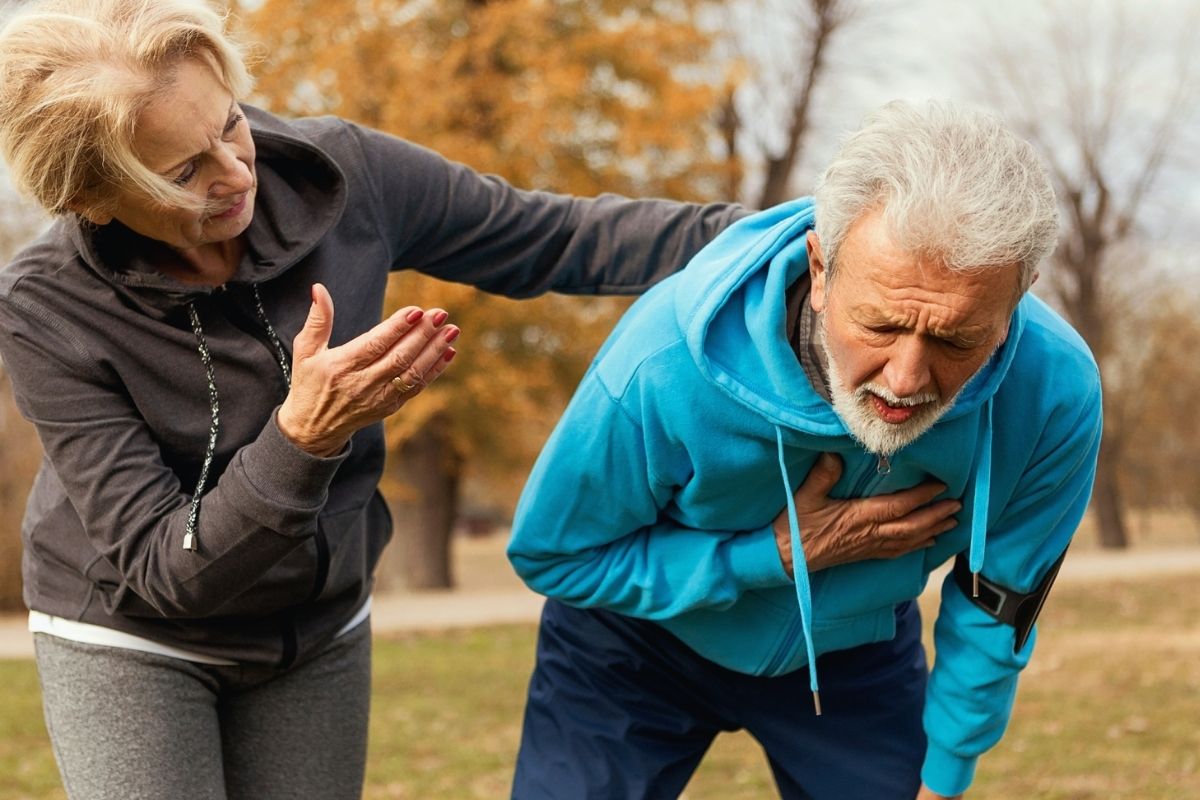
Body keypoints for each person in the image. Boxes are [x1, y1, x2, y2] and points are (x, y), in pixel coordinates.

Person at [0, 0, 766, 797]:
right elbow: (167, 568)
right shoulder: (44, 306)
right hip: (133, 635)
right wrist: (301, 438)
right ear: (92, 198)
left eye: (230, 123)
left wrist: (794, 235)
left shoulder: (341, 172)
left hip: (319, 624)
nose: (236, 173)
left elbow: (558, 236)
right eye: (183, 173)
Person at [506, 99, 1103, 800]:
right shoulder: (661, 361)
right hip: (633, 643)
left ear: (1018, 298)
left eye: (956, 339)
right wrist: (771, 556)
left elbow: (998, 596)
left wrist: (946, 772)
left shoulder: (1055, 392)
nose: (905, 380)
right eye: (880, 326)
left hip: (854, 653)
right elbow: (554, 554)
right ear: (821, 270)